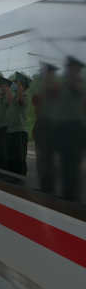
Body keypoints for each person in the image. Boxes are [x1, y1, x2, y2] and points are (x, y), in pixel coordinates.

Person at [56, 56, 85, 201]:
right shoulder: (66, 89)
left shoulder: (78, 89)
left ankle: (72, 199)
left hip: (75, 134)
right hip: (66, 133)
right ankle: (68, 197)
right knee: (66, 169)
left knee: (73, 171)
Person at [32, 63, 59, 193]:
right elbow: (37, 111)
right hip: (41, 128)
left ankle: (49, 189)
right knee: (41, 161)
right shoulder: (42, 90)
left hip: (50, 129)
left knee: (48, 161)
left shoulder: (56, 90)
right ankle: (44, 187)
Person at [5, 73, 29, 176]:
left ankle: (21, 178)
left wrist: (20, 85)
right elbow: (9, 98)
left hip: (20, 131)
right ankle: (12, 176)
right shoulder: (14, 98)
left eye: (17, 83)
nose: (14, 84)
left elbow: (21, 101)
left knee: (19, 158)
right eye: (14, 83)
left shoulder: (24, 96)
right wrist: (8, 87)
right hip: (11, 130)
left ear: (23, 86)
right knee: (11, 156)